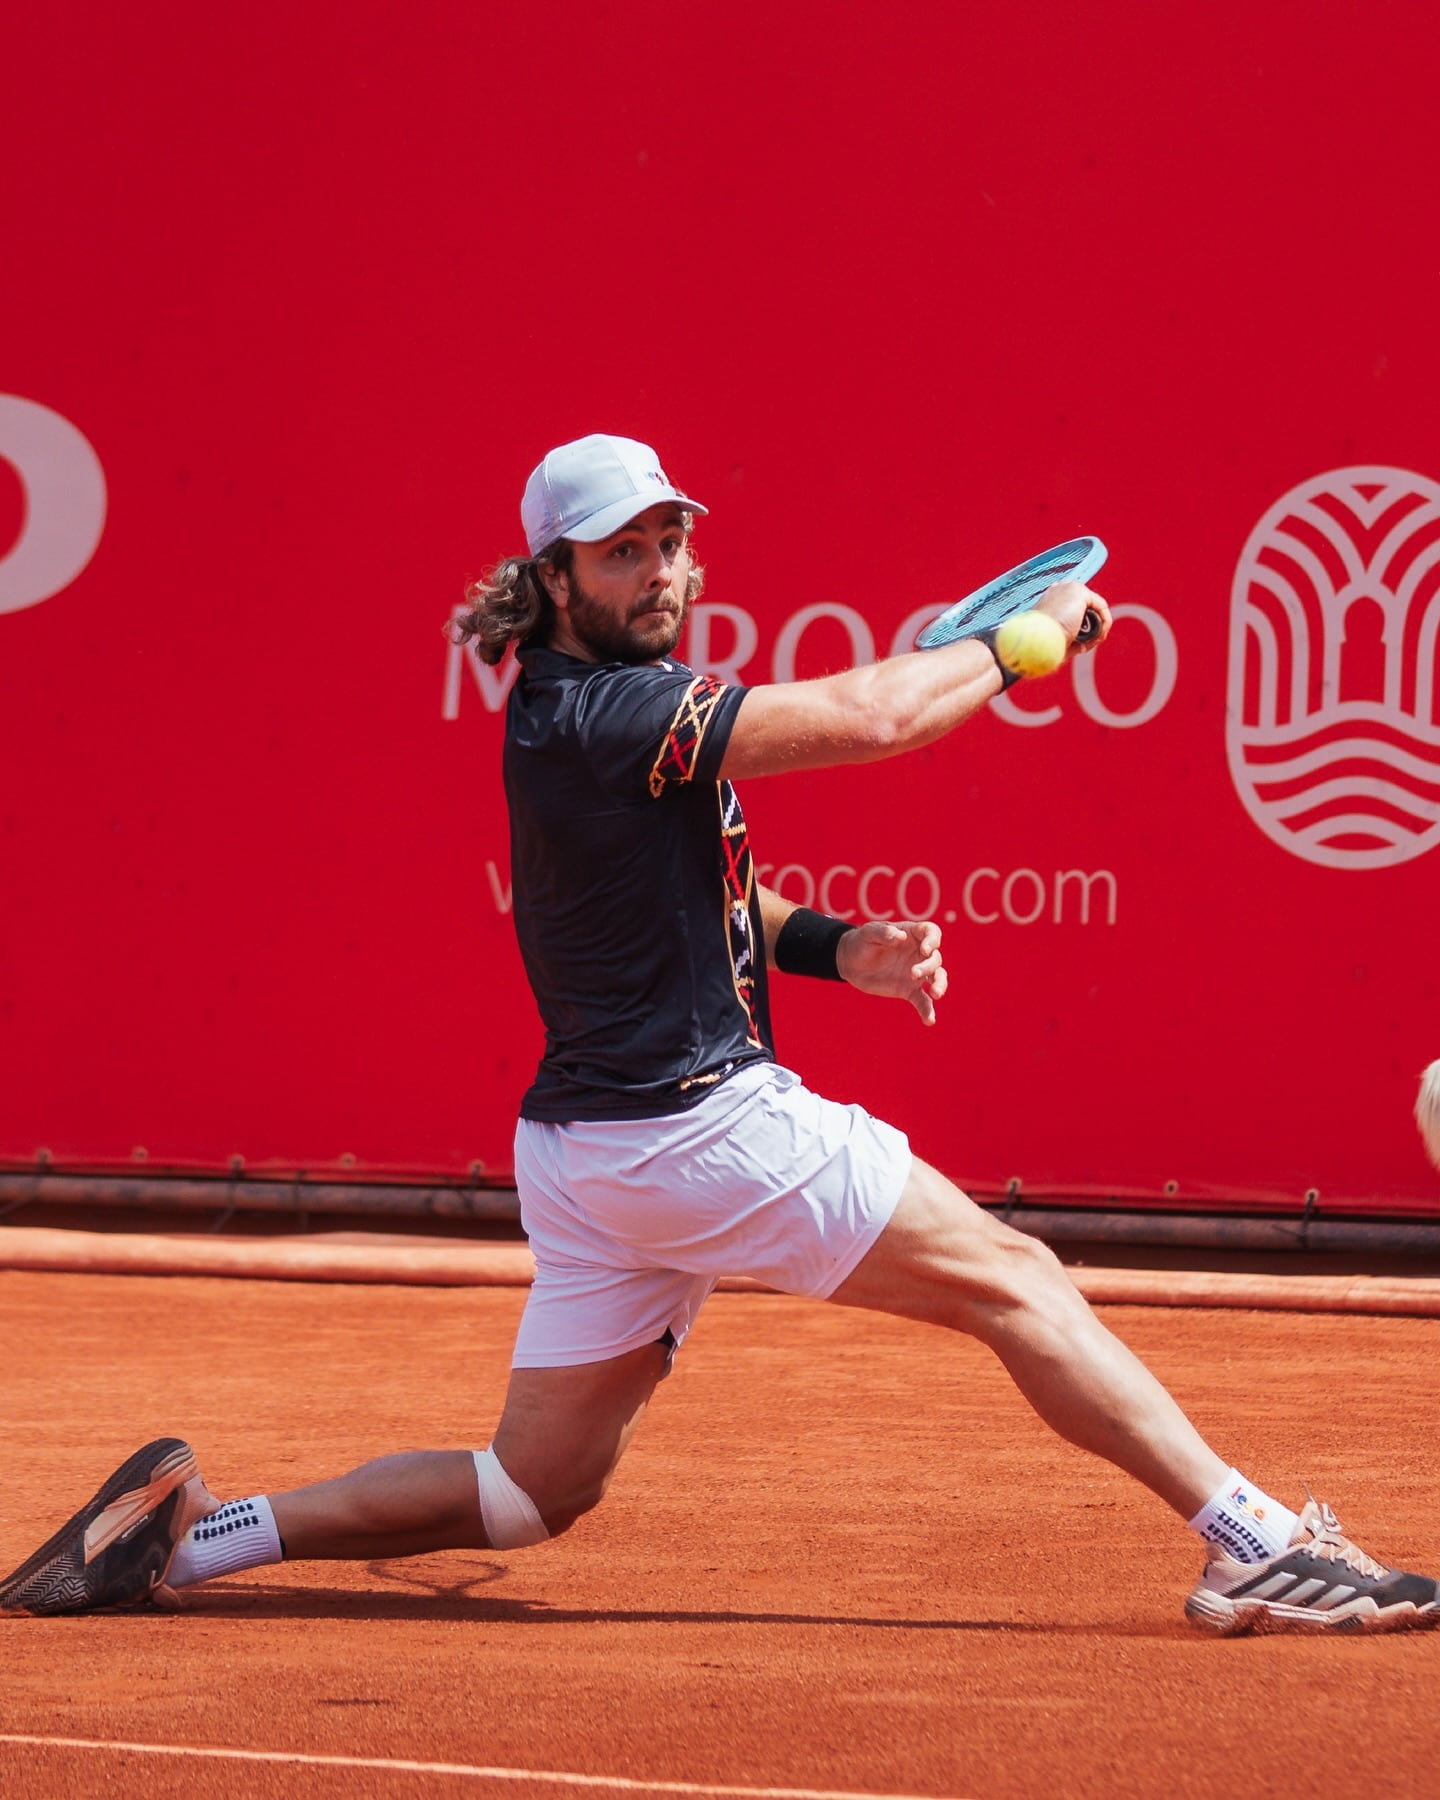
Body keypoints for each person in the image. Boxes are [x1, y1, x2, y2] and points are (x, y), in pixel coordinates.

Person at [4, 434, 1436, 1637]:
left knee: (527, 1494)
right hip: (692, 1126)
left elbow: (705, 897)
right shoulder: (607, 711)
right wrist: (1018, 647)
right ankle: (1255, 1545)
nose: (658, 571)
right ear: (553, 578)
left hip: (589, 1155)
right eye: (621, 552)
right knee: (1015, 1278)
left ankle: (196, 1538)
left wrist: (840, 948)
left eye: (671, 543)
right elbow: (877, 714)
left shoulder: (591, 717)